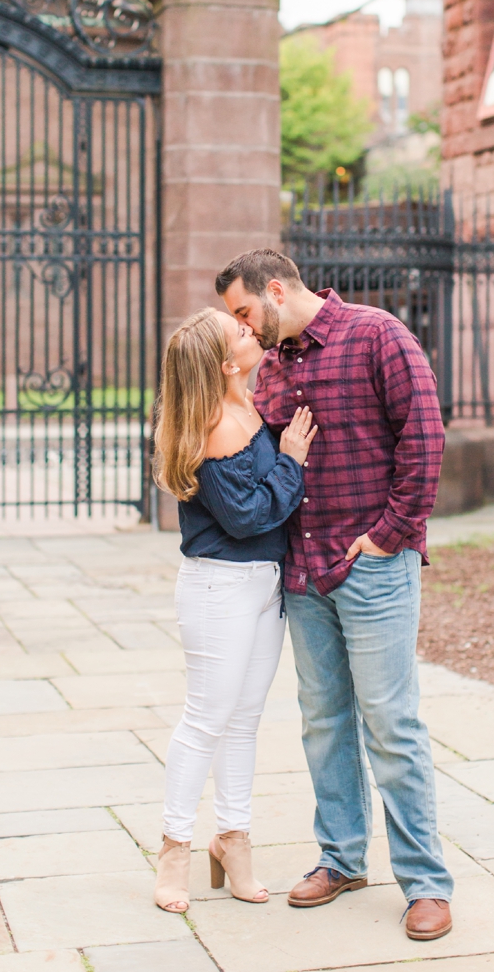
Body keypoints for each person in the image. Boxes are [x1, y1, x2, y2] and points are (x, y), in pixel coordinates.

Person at [217, 248, 453, 942]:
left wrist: (392, 531)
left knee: (391, 722)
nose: (242, 327)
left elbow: (425, 434)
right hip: (305, 570)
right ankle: (343, 858)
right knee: (323, 720)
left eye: (242, 312)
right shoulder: (273, 364)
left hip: (373, 564)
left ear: (277, 289)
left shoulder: (377, 333)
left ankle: (427, 883)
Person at [150, 307, 317, 914]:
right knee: (205, 721)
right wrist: (292, 461)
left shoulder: (247, 405)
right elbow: (247, 517)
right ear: (224, 363)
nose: (254, 331)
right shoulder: (217, 424)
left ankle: (233, 840)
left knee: (243, 721)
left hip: (262, 583)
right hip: (219, 587)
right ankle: (175, 850)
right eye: (242, 331)